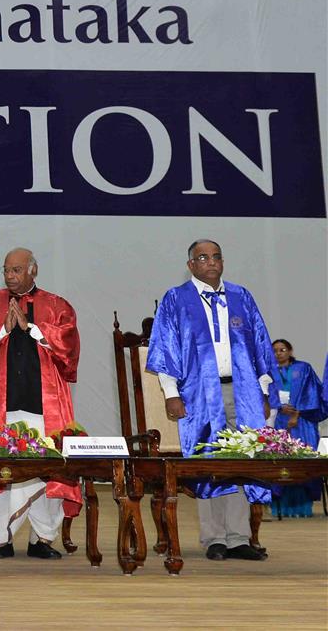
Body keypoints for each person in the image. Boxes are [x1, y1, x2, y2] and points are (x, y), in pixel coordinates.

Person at [147, 239, 276, 561]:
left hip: (242, 390)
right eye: (203, 258)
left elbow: (260, 346)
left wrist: (262, 392)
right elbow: (165, 350)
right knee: (207, 462)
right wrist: (172, 394)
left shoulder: (240, 296)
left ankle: (239, 538)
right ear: (191, 265)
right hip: (199, 393)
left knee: (242, 462)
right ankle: (214, 538)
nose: (211, 262)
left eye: (216, 257)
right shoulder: (176, 299)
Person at [0, 248, 81, 559]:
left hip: (45, 400)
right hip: (0, 401)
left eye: (16, 270)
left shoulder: (56, 306)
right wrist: (3, 328)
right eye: (6, 270)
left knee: (50, 466)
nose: (10, 276)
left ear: (33, 270)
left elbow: (68, 344)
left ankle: (42, 539)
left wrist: (32, 328)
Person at [266, 339, 322, 517]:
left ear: (290, 351)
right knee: (279, 460)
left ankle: (302, 508)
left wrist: (297, 413)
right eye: (275, 350)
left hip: (302, 421)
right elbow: (263, 394)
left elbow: (312, 392)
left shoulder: (304, 368)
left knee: (303, 460)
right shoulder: (267, 371)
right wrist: (279, 407)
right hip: (278, 420)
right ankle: (279, 506)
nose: (279, 353)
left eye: (282, 349)